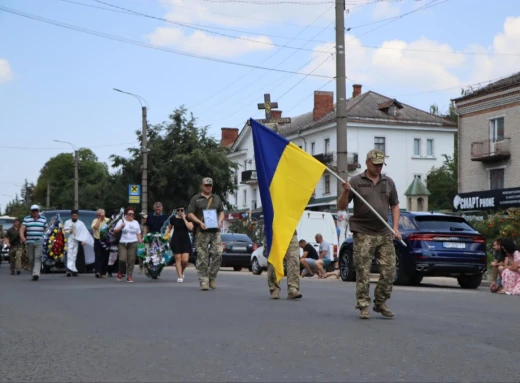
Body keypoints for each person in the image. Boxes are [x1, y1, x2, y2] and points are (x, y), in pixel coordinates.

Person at [338, 149, 402, 320]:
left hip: (383, 232)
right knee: (363, 270)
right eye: (376, 165)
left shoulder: (388, 182)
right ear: (367, 163)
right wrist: (345, 191)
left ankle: (380, 302)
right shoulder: (356, 181)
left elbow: (395, 206)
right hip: (363, 232)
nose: (379, 168)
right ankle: (363, 305)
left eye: (381, 165)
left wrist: (395, 227)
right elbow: (341, 206)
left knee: (389, 270)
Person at [187, 177, 225, 291]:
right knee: (202, 257)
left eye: (210, 185)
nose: (208, 187)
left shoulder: (216, 198)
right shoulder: (196, 198)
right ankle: (204, 280)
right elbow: (189, 214)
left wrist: (220, 221)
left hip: (214, 231)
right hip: (202, 231)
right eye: (206, 185)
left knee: (218, 253)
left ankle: (212, 276)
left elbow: (222, 212)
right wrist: (199, 222)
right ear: (202, 186)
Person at [266, 231, 302, 300]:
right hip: (273, 231)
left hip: (290, 230)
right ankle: (274, 288)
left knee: (293, 259)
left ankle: (293, 289)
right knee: (274, 259)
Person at [166, 202, 194, 283]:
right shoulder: (173, 218)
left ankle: (181, 271)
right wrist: (165, 235)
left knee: (185, 260)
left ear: (184, 210)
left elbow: (190, 228)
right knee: (178, 259)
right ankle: (180, 277)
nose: (180, 211)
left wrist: (184, 218)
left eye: (182, 210)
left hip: (185, 240)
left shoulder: (188, 218)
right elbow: (169, 227)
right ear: (176, 211)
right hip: (176, 240)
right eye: (178, 210)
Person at [113, 206, 142, 283]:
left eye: (132, 214)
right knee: (122, 259)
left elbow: (138, 233)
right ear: (126, 214)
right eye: (129, 214)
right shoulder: (121, 221)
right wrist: (121, 227)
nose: (131, 215)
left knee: (131, 260)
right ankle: (121, 272)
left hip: (133, 242)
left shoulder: (136, 223)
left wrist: (140, 241)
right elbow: (115, 231)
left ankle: (129, 276)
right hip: (123, 243)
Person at [19, 205, 48, 281]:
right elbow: (22, 229)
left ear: (38, 211)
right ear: (31, 211)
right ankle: (33, 273)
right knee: (31, 258)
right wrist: (22, 237)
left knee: (37, 258)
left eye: (36, 210)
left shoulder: (43, 219)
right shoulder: (27, 219)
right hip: (29, 241)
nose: (35, 212)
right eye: (33, 211)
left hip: (39, 241)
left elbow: (46, 229)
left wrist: (45, 237)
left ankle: (36, 273)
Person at [63, 210, 94, 277]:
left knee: (74, 256)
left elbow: (85, 233)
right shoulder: (67, 222)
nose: (74, 217)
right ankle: (68, 270)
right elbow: (64, 232)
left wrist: (84, 240)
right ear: (71, 216)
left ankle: (73, 270)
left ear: (78, 216)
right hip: (69, 241)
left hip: (76, 241)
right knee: (69, 255)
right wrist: (69, 231)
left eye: (75, 216)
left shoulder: (81, 223)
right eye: (73, 216)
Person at [141, 202, 168, 274]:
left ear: (162, 209)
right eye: (156, 209)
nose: (158, 211)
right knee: (150, 253)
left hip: (161, 238)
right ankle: (149, 268)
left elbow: (168, 228)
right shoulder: (150, 216)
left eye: (159, 209)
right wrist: (144, 236)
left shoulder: (165, 216)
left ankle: (158, 270)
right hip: (151, 237)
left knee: (160, 254)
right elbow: (146, 227)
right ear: (154, 209)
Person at [92, 209, 110, 278]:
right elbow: (95, 227)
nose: (101, 216)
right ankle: (97, 272)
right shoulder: (95, 220)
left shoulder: (108, 220)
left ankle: (103, 272)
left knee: (105, 257)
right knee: (97, 256)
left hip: (106, 241)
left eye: (102, 214)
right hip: (97, 240)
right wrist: (99, 219)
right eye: (99, 215)